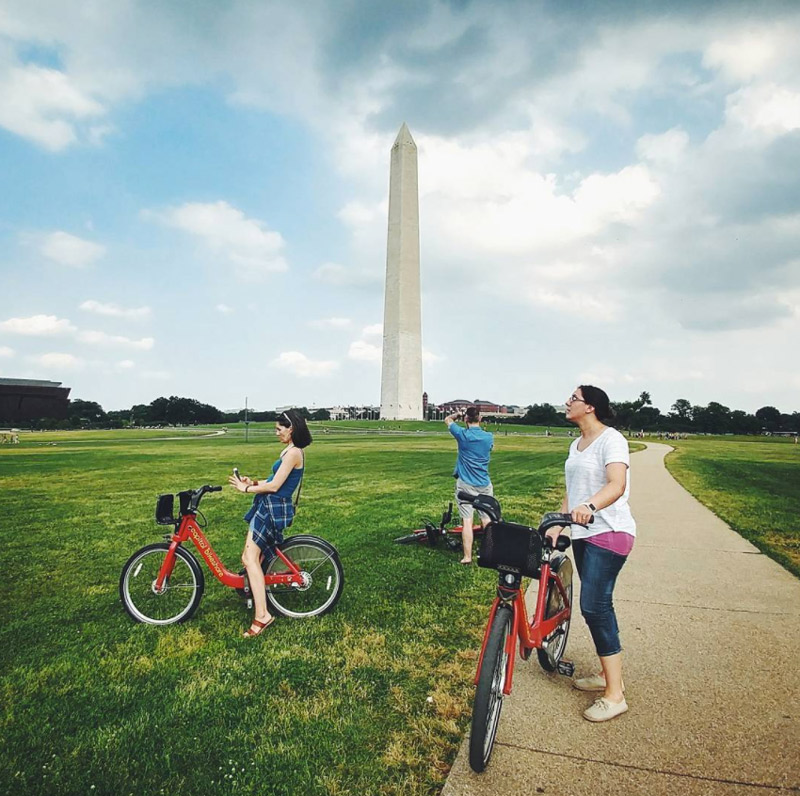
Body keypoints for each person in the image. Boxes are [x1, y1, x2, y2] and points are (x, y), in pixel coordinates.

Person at [544, 385, 636, 722]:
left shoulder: (612, 440)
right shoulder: (576, 444)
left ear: (590, 407)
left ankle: (615, 695)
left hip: (610, 532)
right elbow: (574, 492)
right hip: (585, 533)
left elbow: (616, 484)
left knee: (595, 606)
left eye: (574, 399)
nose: (567, 402)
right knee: (596, 607)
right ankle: (606, 675)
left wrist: (590, 506)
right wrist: (558, 522)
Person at [228, 409, 312, 637]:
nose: (276, 433)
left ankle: (262, 616)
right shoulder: (289, 451)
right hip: (268, 506)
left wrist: (246, 489)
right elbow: (274, 480)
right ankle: (258, 601)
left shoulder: (294, 452)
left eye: (279, 429)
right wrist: (253, 481)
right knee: (252, 557)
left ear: (291, 429)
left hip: (272, 508)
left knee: (249, 558)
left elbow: (274, 487)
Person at [445, 406, 494, 564]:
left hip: (466, 483)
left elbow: (447, 420)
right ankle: (491, 552)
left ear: (466, 419)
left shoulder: (462, 435)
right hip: (484, 483)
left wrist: (457, 414)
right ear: (479, 419)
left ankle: (467, 556)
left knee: (467, 521)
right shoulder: (488, 437)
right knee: (486, 520)